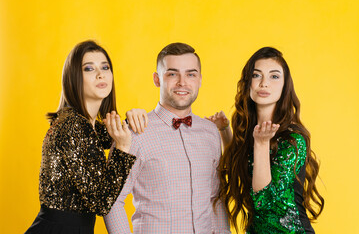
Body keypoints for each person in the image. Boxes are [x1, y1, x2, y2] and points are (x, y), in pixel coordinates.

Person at [104, 42, 230, 234]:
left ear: (200, 79)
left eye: (191, 74)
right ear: (157, 79)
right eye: (172, 74)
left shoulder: (211, 132)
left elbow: (215, 197)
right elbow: (112, 199)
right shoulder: (134, 132)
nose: (182, 82)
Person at [208, 47, 324, 233]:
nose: (264, 83)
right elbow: (239, 168)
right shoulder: (251, 132)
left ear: (285, 85)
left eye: (274, 76)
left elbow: (263, 201)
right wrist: (224, 131)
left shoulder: (293, 139)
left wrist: (261, 145)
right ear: (248, 83)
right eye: (256, 75)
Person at [25, 40, 137, 234]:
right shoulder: (73, 126)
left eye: (105, 67)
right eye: (88, 69)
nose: (100, 74)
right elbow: (102, 202)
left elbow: (113, 134)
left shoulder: (86, 125)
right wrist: (122, 148)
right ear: (74, 78)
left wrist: (135, 116)